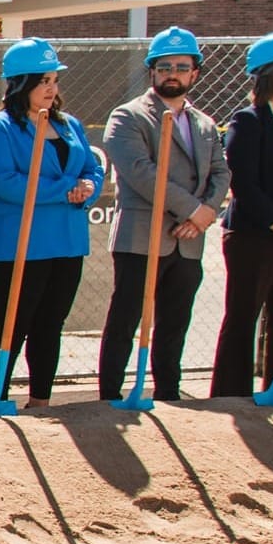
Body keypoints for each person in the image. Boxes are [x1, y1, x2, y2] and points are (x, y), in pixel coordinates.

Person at [0, 38, 104, 408]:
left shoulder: (69, 124)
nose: (51, 88)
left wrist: (90, 186)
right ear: (19, 83)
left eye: (53, 79)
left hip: (66, 240)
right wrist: (66, 189)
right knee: (14, 321)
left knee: (51, 323)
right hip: (17, 243)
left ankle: (41, 400)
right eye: (42, 80)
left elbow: (92, 167)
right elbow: (4, 181)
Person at [97, 26, 228, 401]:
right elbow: (142, 173)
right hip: (141, 238)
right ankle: (110, 396)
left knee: (175, 323)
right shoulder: (129, 117)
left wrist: (205, 215)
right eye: (165, 66)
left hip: (188, 243)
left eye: (182, 67)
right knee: (126, 320)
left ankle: (168, 393)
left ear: (195, 73)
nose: (173, 73)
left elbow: (221, 171)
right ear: (151, 71)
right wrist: (194, 210)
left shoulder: (203, 123)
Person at [212, 30, 273, 397]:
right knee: (243, 317)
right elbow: (245, 185)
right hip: (256, 235)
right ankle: (230, 395)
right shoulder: (247, 122)